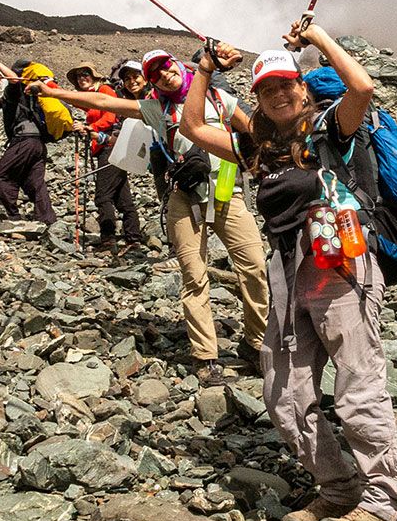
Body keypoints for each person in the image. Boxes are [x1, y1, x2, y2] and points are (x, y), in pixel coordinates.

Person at [177, 21, 397, 521]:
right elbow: (191, 127)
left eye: (286, 83)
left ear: (302, 88)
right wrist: (205, 70)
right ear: (256, 98)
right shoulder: (253, 148)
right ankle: (338, 488)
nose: (278, 92)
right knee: (283, 394)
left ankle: (383, 499)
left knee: (356, 382)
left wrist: (319, 38)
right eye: (266, 88)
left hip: (339, 264)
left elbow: (363, 88)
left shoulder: (330, 131)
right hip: (285, 269)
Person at [36, 49, 269, 386]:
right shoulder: (155, 108)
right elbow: (103, 104)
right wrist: (55, 93)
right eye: (154, 72)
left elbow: (257, 138)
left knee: (255, 268)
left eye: (165, 66)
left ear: (179, 65)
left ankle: (255, 342)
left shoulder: (219, 98)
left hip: (226, 194)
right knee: (194, 276)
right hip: (184, 197)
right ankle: (205, 356)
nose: (162, 74)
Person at [0, 53, 57, 225]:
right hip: (38, 144)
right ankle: (47, 220)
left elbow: (14, 80)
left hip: (24, 141)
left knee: (1, 176)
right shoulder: (25, 97)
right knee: (33, 182)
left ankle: (11, 218)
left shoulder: (16, 89)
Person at [85, 62, 145, 248]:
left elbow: (110, 118)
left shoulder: (105, 91)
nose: (131, 81)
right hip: (116, 146)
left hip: (111, 150)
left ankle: (108, 238)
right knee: (122, 196)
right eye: (127, 78)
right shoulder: (118, 95)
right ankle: (133, 237)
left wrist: (92, 130)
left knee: (103, 197)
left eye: (85, 75)